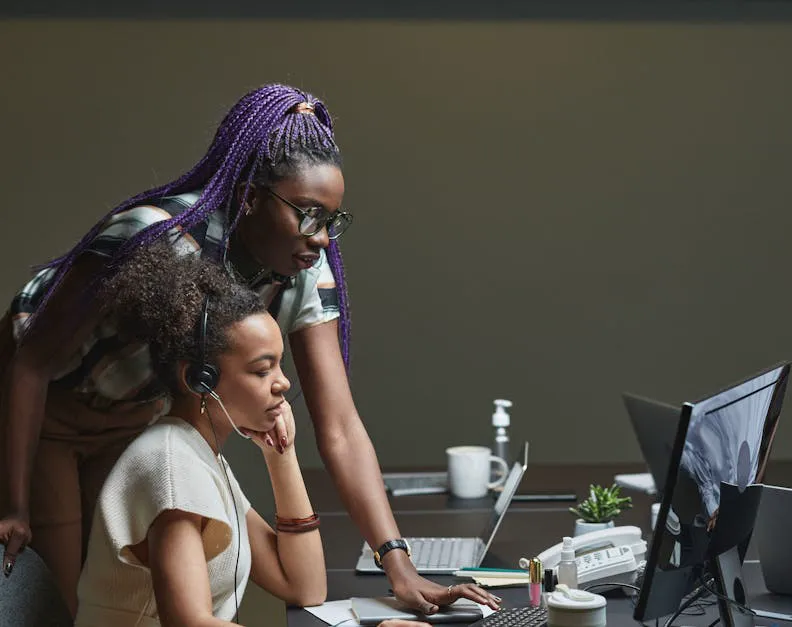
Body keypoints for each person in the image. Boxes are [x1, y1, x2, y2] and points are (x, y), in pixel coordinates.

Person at [0, 83, 498, 616]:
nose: (322, 238)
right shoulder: (153, 236)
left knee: (121, 593)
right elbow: (30, 361)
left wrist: (398, 565)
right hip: (48, 413)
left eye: (332, 221)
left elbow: (341, 426)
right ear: (250, 198)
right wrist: (13, 506)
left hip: (134, 422)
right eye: (307, 214)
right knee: (63, 606)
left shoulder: (305, 267)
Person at [74, 242, 326, 625]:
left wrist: (281, 457)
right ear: (199, 380)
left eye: (279, 366)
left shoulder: (199, 456)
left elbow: (305, 587)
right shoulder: (172, 465)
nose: (283, 383)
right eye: (262, 370)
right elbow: (189, 623)